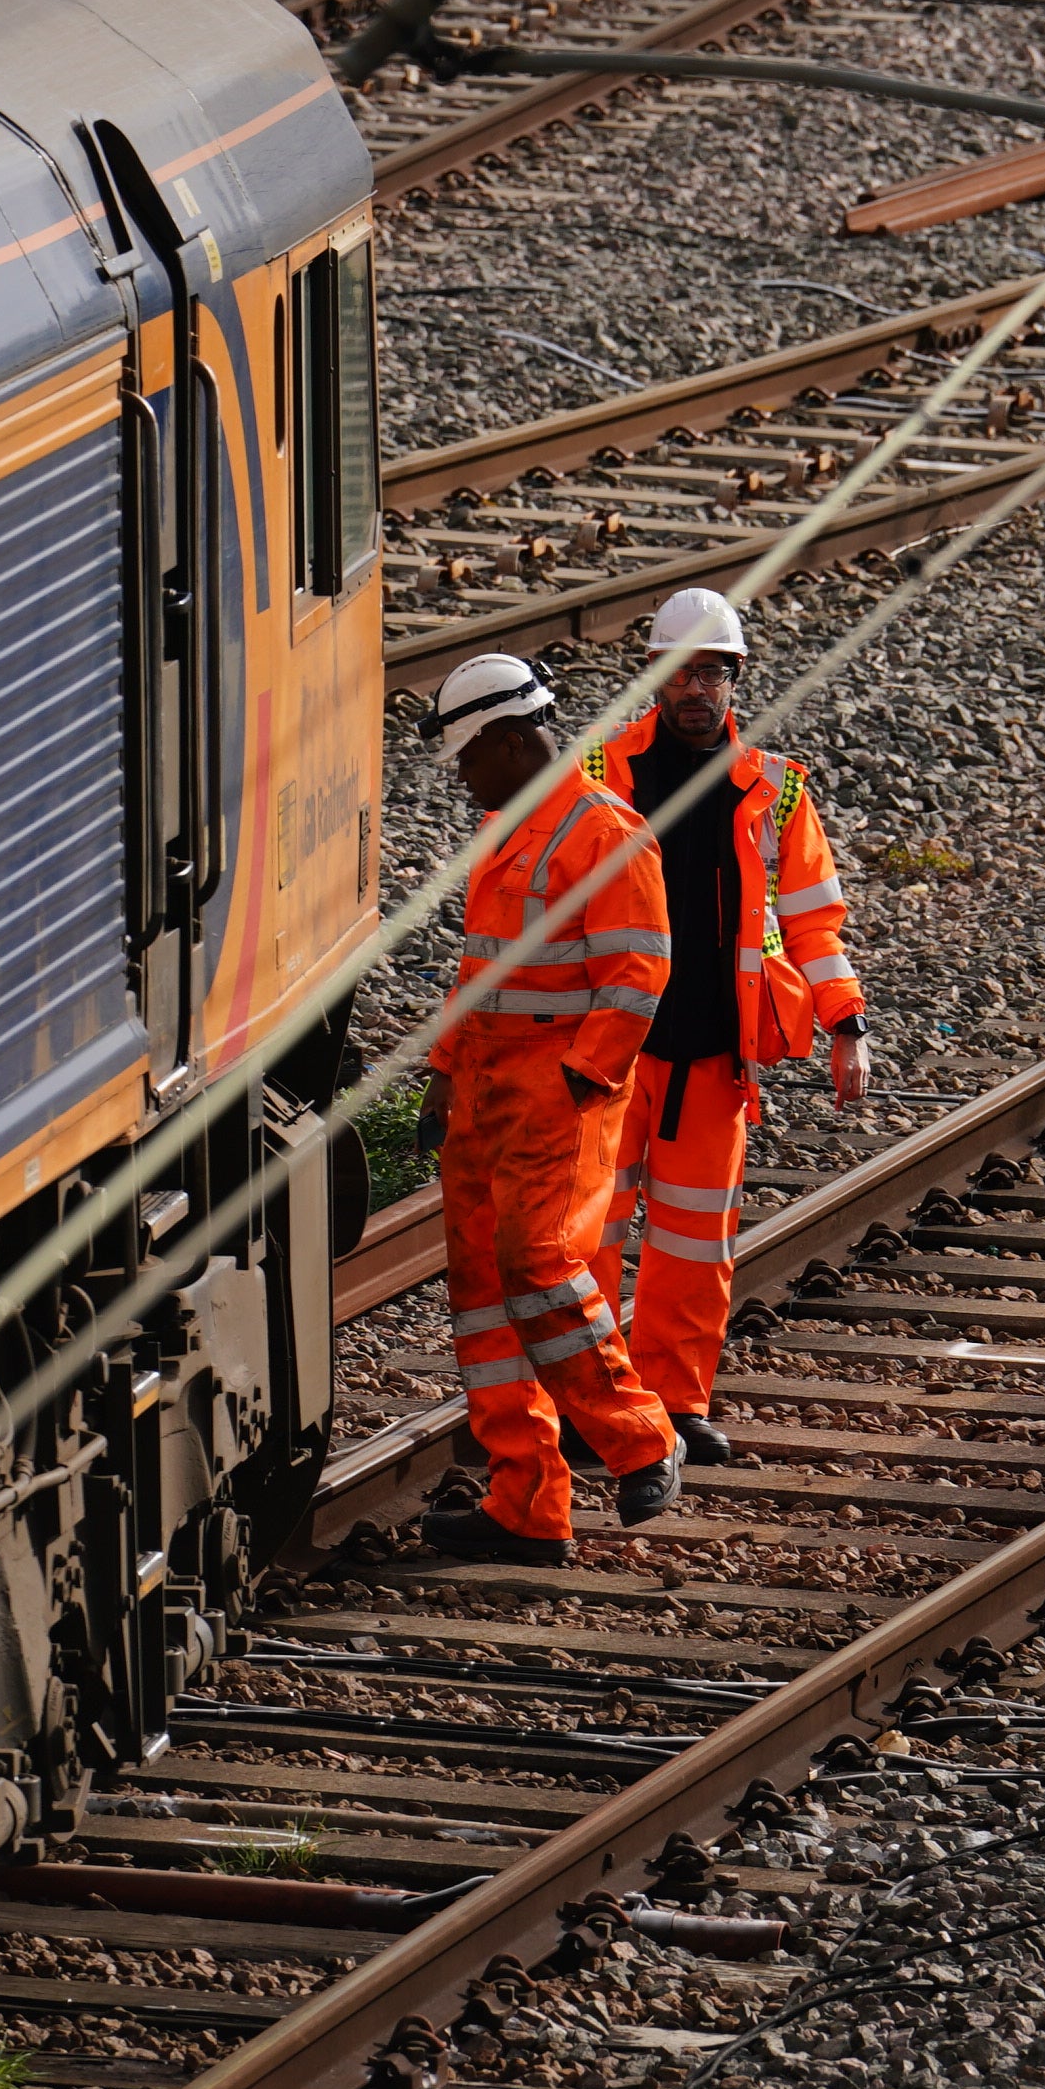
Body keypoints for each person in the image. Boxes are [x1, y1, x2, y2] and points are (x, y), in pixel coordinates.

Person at [581, 588, 870, 1468]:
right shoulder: (598, 770)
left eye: (712, 669)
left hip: (715, 1058)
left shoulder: (776, 793)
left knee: (692, 1247)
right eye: (680, 670)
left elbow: (815, 920)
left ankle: (674, 1406)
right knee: (589, 1240)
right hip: (607, 1053)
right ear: (655, 678)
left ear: (734, 678)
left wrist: (847, 1021)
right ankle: (590, 1408)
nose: (695, 686)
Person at [417, 653, 684, 1567]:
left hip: (552, 1084)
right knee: (483, 1296)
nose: (463, 777)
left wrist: (579, 1081)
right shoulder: (511, 833)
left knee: (537, 1264)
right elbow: (481, 970)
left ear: (509, 739)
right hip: (491, 1081)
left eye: (467, 757)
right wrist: (446, 1070)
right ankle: (526, 1504)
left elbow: (639, 972)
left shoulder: (603, 832)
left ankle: (642, 1440)